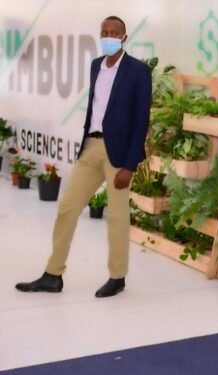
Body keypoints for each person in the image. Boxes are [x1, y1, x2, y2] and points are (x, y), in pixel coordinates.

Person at [15, 16, 151, 298]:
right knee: (67, 207)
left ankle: (117, 277)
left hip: (120, 154)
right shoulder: (95, 66)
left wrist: (129, 164)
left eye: (115, 32)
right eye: (105, 32)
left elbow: (141, 120)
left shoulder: (138, 71)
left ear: (124, 37)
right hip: (92, 145)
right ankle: (53, 275)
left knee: (117, 216)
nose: (109, 36)